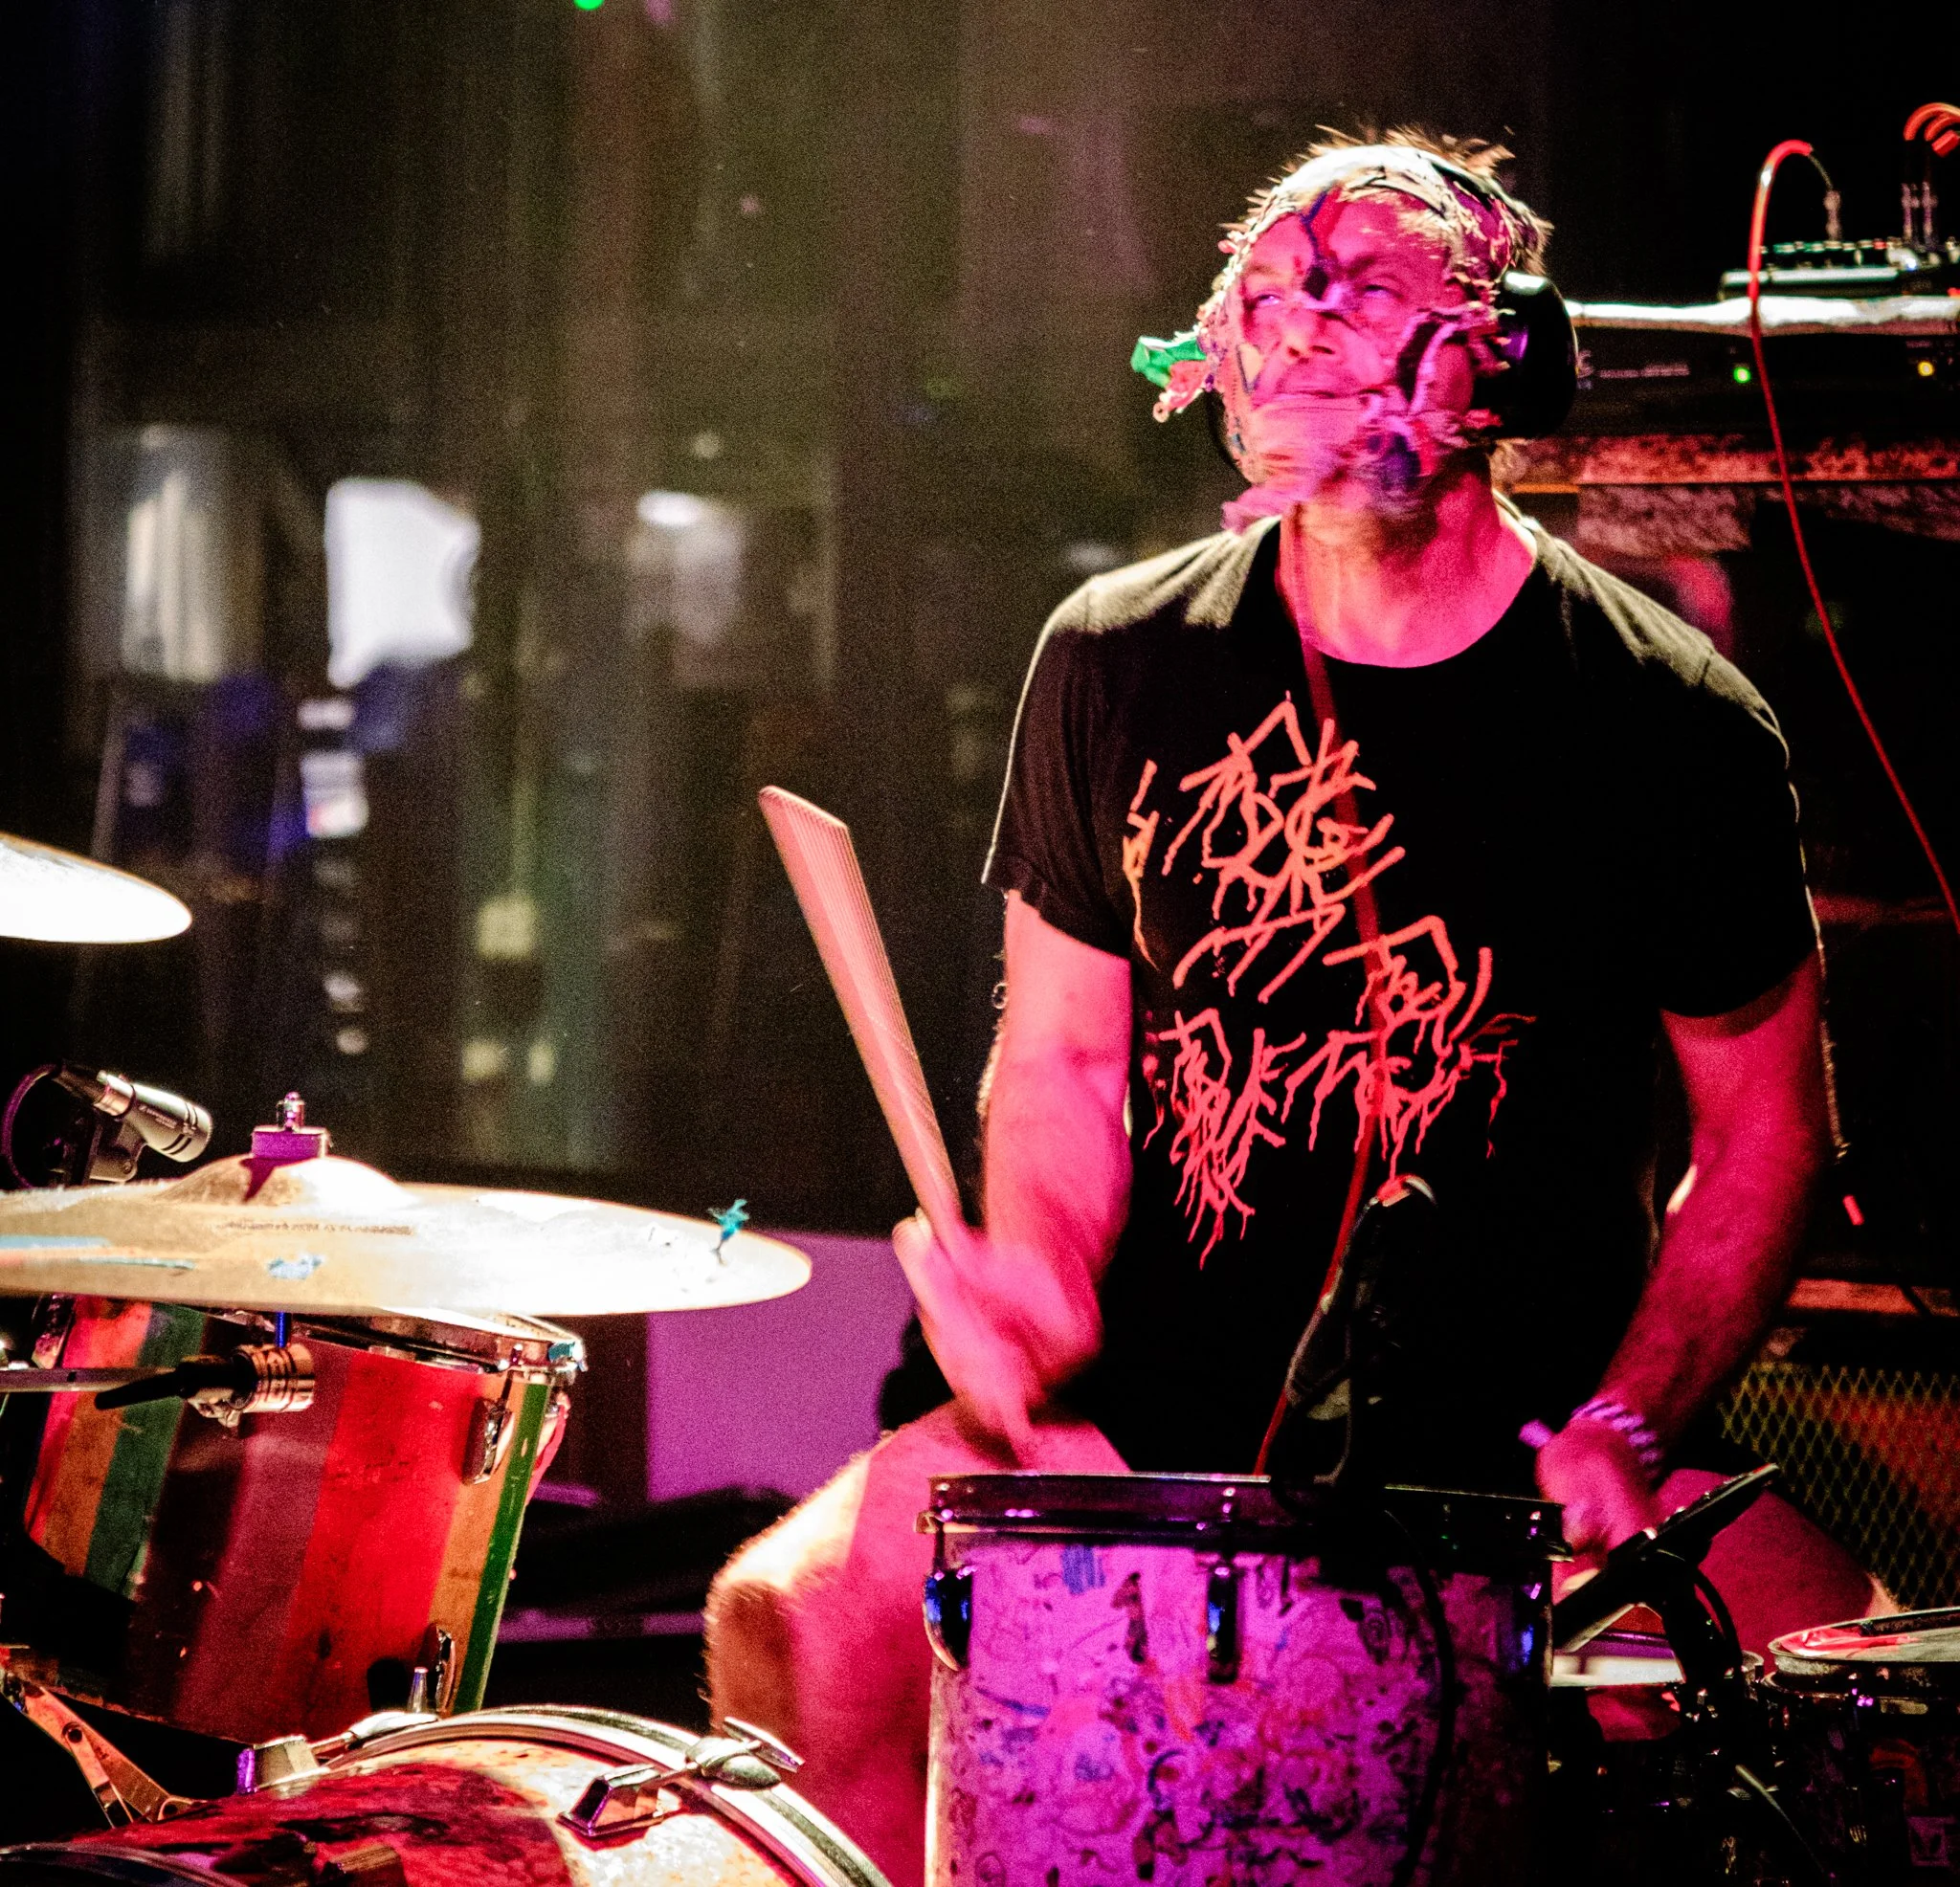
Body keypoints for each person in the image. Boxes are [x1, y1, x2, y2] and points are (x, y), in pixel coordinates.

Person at [706, 132, 1880, 1887]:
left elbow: (1771, 1135)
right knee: (797, 1615)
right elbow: (1065, 1061)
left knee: (1856, 1700)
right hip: (1157, 1422)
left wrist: (1634, 1418)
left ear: (1508, 357)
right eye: (1268, 295)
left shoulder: (1674, 722)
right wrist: (1032, 1276)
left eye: (1373, 288)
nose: (1310, 325)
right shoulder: (1111, 656)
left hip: (1527, 1453)